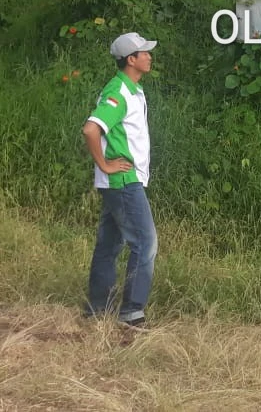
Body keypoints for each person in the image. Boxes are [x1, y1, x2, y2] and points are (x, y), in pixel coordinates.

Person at [82, 32, 158, 329]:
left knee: (110, 243)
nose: (149, 56)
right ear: (131, 59)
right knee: (146, 242)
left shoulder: (132, 89)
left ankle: (97, 308)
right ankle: (132, 312)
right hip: (124, 181)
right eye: (144, 53)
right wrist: (105, 164)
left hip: (122, 180)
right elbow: (91, 130)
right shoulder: (119, 91)